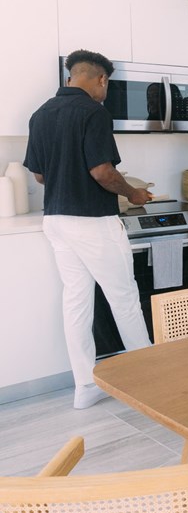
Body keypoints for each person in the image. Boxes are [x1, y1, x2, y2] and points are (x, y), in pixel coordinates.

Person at [24, 49, 153, 410]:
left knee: (77, 301)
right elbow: (102, 172)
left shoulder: (41, 114)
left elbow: (38, 174)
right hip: (93, 222)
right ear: (100, 80)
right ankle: (149, 382)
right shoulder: (94, 113)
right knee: (124, 299)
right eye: (106, 85)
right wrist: (134, 193)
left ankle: (85, 386)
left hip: (57, 220)